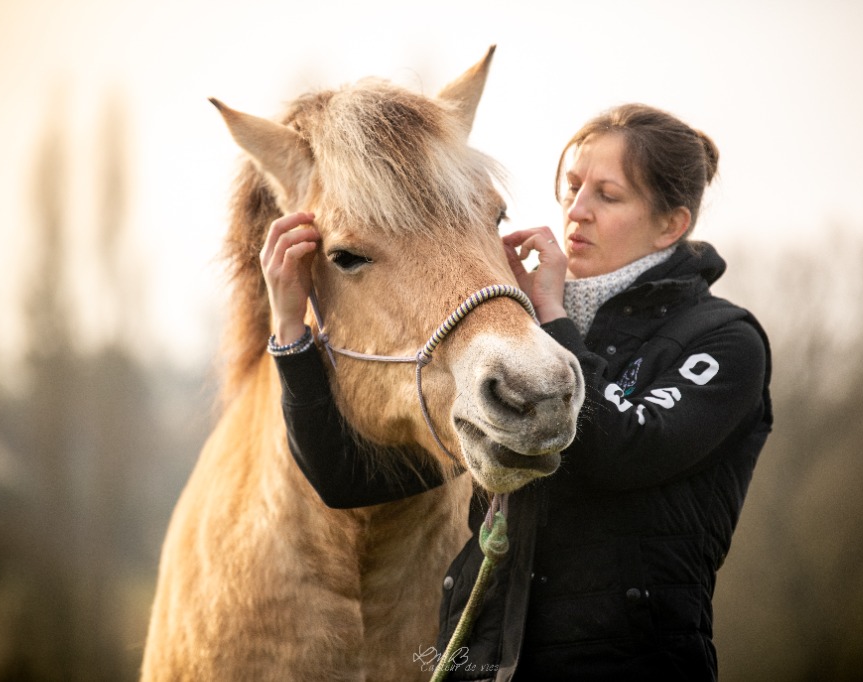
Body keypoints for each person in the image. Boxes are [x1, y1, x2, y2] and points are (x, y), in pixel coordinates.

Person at [262, 103, 772, 681]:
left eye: (608, 195)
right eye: (572, 186)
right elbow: (346, 479)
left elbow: (623, 451)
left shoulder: (725, 341)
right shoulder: (526, 341)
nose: (576, 212)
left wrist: (551, 317)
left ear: (671, 225)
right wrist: (291, 331)